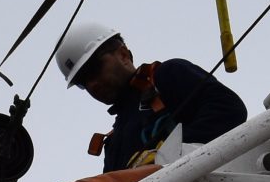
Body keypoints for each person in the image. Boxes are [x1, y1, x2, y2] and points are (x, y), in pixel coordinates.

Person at [54, 19, 248, 173]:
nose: (92, 84)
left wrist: (165, 155)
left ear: (123, 55)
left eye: (94, 69)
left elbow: (229, 110)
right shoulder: (114, 143)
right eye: (82, 81)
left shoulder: (167, 76)